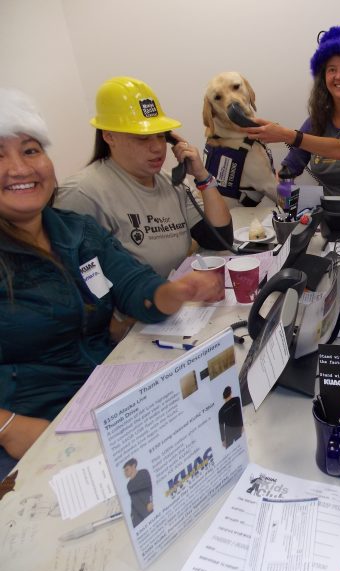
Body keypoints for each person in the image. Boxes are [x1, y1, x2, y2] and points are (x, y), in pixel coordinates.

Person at [0, 89, 224, 478]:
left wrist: (173, 292)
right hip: (32, 426)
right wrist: (9, 427)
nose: (19, 169)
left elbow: (131, 282)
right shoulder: (83, 193)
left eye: (30, 150)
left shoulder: (76, 231)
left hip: (102, 398)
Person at [57, 76, 233, 279]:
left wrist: (203, 176)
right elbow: (77, 279)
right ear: (109, 136)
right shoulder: (82, 194)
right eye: (142, 138)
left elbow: (220, 240)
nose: (157, 147)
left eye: (161, 136)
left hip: (178, 293)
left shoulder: (173, 184)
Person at [244, 25, 340, 203]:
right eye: (332, 69)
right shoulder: (316, 122)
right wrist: (284, 193)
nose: (338, 76)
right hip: (331, 215)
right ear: (324, 78)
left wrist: (285, 134)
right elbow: (288, 169)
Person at [123, 458, 153, 527]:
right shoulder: (129, 485)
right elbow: (134, 500)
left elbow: (149, 488)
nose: (125, 473)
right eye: (124, 471)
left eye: (127, 469)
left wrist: (150, 501)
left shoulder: (143, 473)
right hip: (137, 514)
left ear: (133, 466)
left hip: (147, 507)